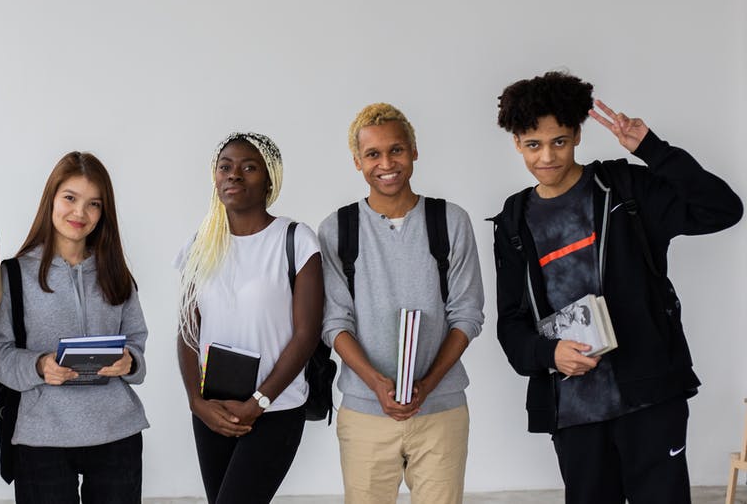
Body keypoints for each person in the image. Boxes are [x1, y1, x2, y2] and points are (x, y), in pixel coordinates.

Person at [491, 72, 743, 504]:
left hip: (649, 399)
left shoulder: (624, 191)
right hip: (573, 411)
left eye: (560, 141)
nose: (547, 156)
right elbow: (511, 323)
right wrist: (549, 354)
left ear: (577, 137)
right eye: (533, 145)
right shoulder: (514, 221)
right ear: (517, 143)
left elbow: (722, 209)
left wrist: (652, 150)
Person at [318, 103, 485, 504]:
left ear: (414, 151)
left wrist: (427, 385)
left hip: (441, 409)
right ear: (357, 162)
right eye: (373, 154)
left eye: (396, 150)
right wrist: (377, 385)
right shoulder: (337, 229)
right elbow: (334, 323)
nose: (386, 163)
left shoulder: (450, 221)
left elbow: (467, 314)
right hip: (364, 412)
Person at [0, 151, 149, 503]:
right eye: (70, 198)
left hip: (116, 433)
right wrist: (39, 366)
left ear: (104, 213)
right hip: (41, 438)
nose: (80, 213)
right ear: (51, 200)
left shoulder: (117, 274)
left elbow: (136, 340)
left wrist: (129, 361)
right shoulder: (12, 275)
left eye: (94, 204)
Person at [175, 131, 324, 504]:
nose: (234, 175)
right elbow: (188, 332)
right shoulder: (200, 245)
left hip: (274, 408)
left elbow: (306, 335)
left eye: (248, 167)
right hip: (213, 410)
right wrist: (196, 401)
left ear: (269, 179)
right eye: (225, 167)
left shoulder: (295, 239)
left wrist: (258, 401)